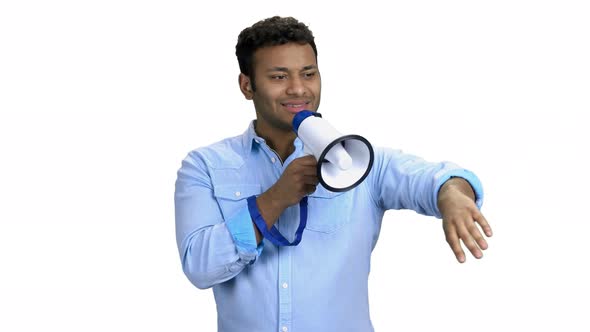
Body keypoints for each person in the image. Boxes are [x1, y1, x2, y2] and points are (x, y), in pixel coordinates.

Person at [174, 16, 493, 332]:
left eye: (308, 74)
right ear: (247, 85)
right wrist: (275, 199)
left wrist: (452, 193)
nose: (298, 89)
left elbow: (431, 178)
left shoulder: (359, 160)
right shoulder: (205, 166)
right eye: (279, 77)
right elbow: (200, 267)